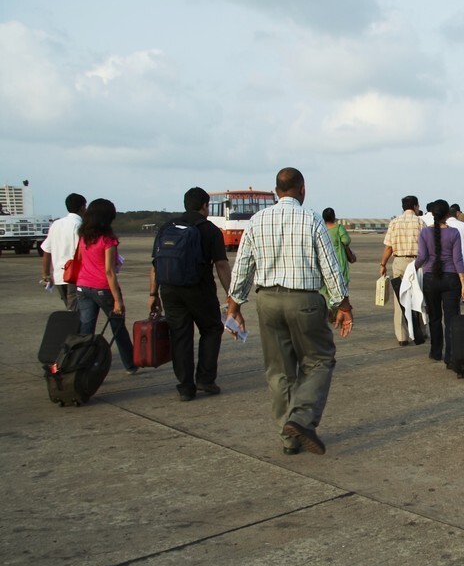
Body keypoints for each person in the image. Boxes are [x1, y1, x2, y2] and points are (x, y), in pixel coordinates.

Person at [226, 168, 353, 456]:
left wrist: (234, 307)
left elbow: (243, 266)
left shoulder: (257, 221)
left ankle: (288, 438)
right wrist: (341, 304)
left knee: (280, 371)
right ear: (302, 189)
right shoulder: (311, 219)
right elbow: (330, 268)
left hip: (267, 300)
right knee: (319, 360)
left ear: (276, 191)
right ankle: (302, 419)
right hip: (305, 300)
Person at [148, 188, 232, 401]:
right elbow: (221, 264)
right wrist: (231, 294)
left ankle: (185, 387)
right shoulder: (210, 229)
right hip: (199, 288)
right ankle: (205, 378)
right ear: (205, 206)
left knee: (180, 335)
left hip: (170, 289)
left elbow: (155, 264)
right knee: (212, 329)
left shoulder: (167, 227)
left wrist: (153, 294)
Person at [75, 198, 138, 374]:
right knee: (117, 326)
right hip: (102, 288)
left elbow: (81, 260)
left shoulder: (83, 237)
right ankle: (130, 363)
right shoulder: (107, 240)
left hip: (82, 286)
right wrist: (117, 300)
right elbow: (109, 271)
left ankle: (80, 363)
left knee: (86, 330)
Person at [414, 200, 464, 364]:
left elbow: (422, 257)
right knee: (452, 318)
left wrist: (413, 268)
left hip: (430, 278)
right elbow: (457, 260)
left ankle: (436, 351)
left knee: (434, 317)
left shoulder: (424, 232)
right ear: (447, 214)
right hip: (451, 278)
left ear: (432, 214)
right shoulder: (454, 233)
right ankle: (451, 355)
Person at [380, 196, 425, 346]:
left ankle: (402, 336)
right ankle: (421, 332)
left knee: (400, 299)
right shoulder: (420, 222)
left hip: (399, 261)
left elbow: (388, 247)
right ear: (415, 206)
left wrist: (383, 264)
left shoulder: (394, 222)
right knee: (418, 297)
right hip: (416, 263)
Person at [40, 193, 87, 312]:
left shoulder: (56, 224)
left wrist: (46, 275)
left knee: (70, 310)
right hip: (74, 276)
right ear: (82, 207)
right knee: (76, 313)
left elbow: (46, 250)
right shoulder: (79, 226)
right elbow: (83, 251)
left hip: (58, 276)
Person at [322, 208, 352, 286]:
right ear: (333, 217)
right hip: (339, 261)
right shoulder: (338, 228)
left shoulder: (321, 229)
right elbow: (346, 241)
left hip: (324, 262)